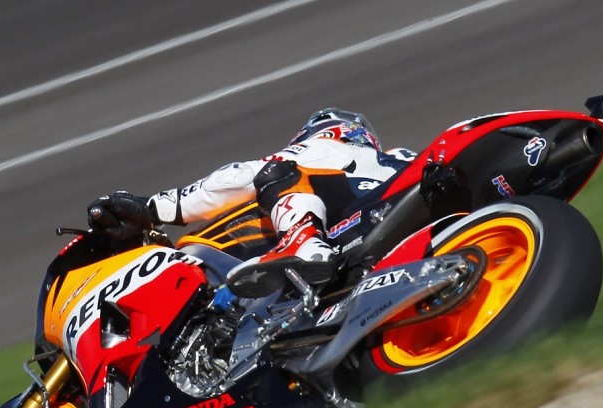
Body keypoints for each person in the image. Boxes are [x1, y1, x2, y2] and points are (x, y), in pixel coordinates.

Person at [87, 108, 415, 298]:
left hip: (355, 231)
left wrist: (153, 209)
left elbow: (243, 176)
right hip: (400, 223)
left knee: (275, 174)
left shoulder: (322, 147)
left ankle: (306, 245)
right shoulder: (400, 157)